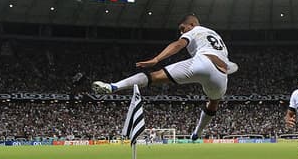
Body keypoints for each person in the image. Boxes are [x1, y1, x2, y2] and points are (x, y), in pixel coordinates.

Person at [92, 14, 237, 140]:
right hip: (221, 75)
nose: (181, 31)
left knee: (154, 76)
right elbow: (226, 60)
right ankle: (197, 133)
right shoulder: (217, 36)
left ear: (191, 24)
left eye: (182, 28)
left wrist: (156, 59)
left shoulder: (196, 30)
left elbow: (178, 44)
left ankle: (113, 86)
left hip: (203, 62)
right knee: (213, 102)